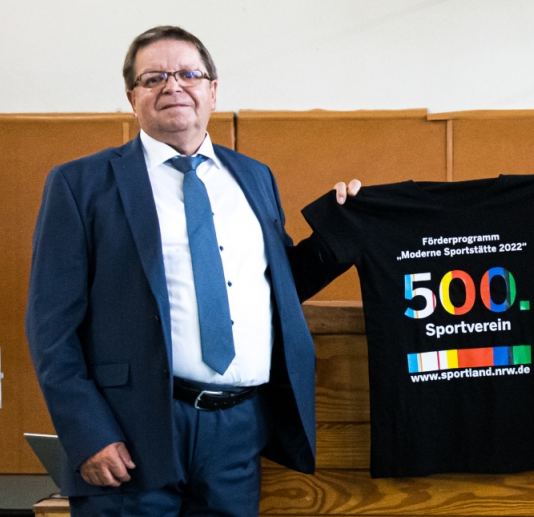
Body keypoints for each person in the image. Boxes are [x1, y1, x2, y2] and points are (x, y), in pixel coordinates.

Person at [25, 26, 353, 516]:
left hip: (237, 432)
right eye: (153, 77)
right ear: (132, 97)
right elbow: (51, 327)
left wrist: (343, 232)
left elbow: (275, 286)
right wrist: (87, 433)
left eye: (188, 74)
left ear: (213, 91)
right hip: (132, 431)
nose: (172, 86)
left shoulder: (254, 177)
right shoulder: (80, 184)